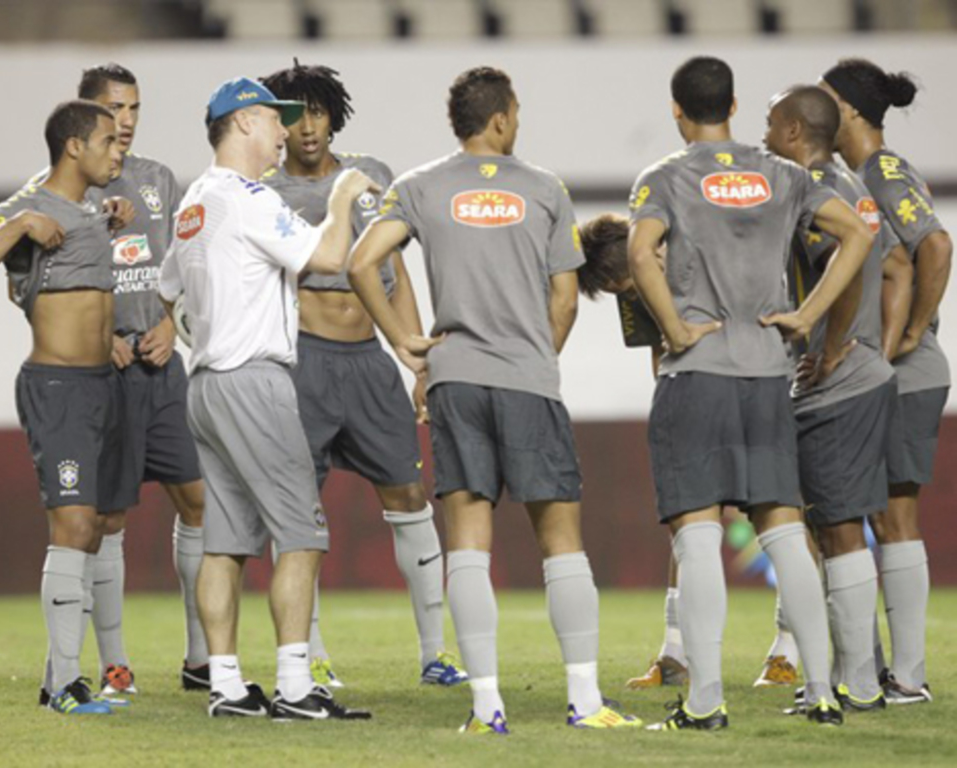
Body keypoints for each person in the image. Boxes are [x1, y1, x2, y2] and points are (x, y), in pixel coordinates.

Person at [349, 66, 641, 733]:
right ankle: (586, 702)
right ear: (503, 118)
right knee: (561, 540)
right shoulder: (544, 189)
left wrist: (404, 343)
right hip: (526, 380)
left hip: (453, 378)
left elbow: (363, 263)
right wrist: (535, 361)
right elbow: (565, 296)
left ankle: (486, 708)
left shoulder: (418, 186)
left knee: (468, 545)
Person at [627, 56, 875, 729]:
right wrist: (807, 313)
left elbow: (638, 250)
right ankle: (822, 693)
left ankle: (705, 703)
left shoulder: (666, 177)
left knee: (698, 533)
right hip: (768, 372)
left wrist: (675, 326)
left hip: (698, 373)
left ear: (678, 110)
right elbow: (859, 231)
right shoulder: (784, 175)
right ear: (733, 104)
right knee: (785, 530)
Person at [157, 76, 378, 720]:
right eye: (275, 120)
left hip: (206, 385)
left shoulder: (195, 200)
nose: (286, 132)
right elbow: (329, 255)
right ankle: (294, 685)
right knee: (301, 533)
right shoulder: (249, 198)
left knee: (224, 543)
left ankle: (226, 686)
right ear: (245, 123)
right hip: (255, 380)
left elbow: (169, 287)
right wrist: (342, 196)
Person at [258, 60, 465, 688]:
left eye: (318, 112)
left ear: (333, 115)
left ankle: (436, 654)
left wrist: (415, 353)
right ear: (278, 126)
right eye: (295, 117)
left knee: (408, 495)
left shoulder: (371, 175)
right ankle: (311, 654)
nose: (309, 127)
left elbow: (394, 272)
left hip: (370, 360)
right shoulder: (262, 192)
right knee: (298, 511)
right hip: (304, 360)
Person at [0, 100, 136, 715]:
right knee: (74, 526)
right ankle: (62, 684)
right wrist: (20, 225)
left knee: (99, 528)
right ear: (73, 147)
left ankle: (66, 676)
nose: (119, 149)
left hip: (103, 385)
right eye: (108, 140)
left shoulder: (91, 210)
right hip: (58, 389)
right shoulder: (29, 206)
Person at [577, 215, 802, 692]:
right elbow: (657, 357)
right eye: (622, 293)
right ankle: (676, 653)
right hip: (694, 398)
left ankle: (789, 649)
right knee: (689, 520)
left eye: (627, 286)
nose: (631, 297)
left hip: (759, 387)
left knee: (781, 516)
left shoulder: (712, 250)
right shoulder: (634, 287)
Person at [765, 84, 914, 712]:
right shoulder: (846, 180)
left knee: (839, 529)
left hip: (838, 386)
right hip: (862, 378)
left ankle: (855, 684)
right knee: (837, 526)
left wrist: (826, 346)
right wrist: (876, 345)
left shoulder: (818, 189)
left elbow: (851, 264)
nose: (764, 137)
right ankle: (865, 672)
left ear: (797, 131)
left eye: (773, 126)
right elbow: (897, 261)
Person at [71, 62, 209, 697]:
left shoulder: (158, 180)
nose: (126, 121)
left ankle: (201, 655)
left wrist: (167, 323)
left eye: (134, 109)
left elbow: (180, 271)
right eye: (115, 109)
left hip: (161, 365)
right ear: (88, 114)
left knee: (201, 500)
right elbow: (33, 291)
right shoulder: (64, 191)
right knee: (110, 517)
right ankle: (116, 663)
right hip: (105, 373)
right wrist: (98, 337)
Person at [821, 58, 951, 705]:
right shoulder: (850, 177)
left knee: (893, 517)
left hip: (905, 372)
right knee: (866, 515)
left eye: (823, 100)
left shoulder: (882, 171)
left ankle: (907, 676)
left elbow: (935, 244)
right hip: (879, 373)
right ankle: (870, 671)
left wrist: (910, 334)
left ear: (845, 108)